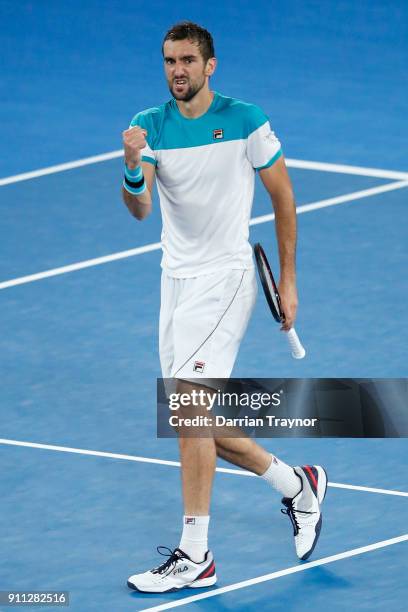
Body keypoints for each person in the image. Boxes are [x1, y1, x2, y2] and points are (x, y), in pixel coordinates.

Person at [122, 21, 327, 594]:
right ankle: (297, 485)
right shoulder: (149, 126)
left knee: (188, 409)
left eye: (187, 60)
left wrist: (288, 280)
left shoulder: (245, 120)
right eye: (169, 61)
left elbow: (283, 197)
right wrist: (133, 165)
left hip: (228, 277)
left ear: (210, 65)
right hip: (176, 283)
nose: (177, 71)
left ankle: (195, 554)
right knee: (192, 419)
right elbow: (140, 210)